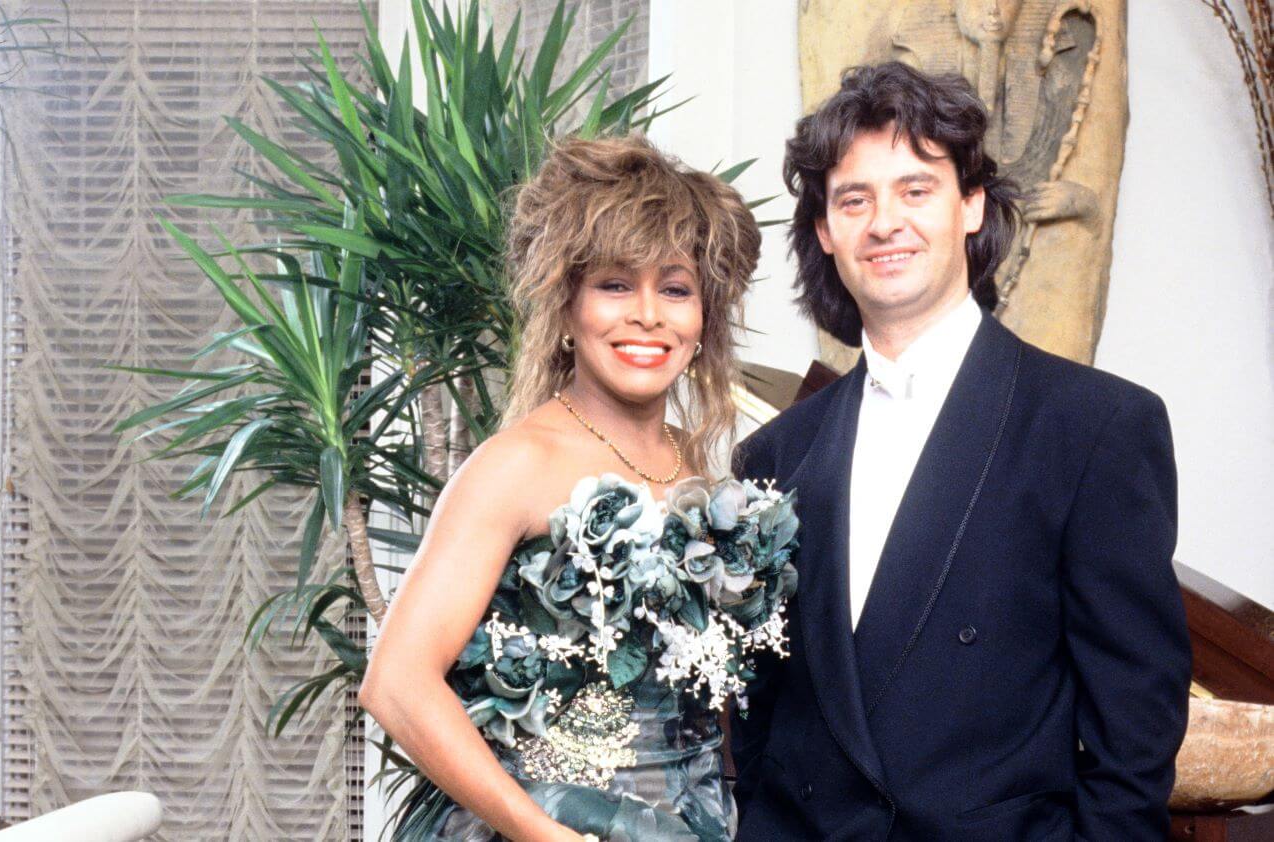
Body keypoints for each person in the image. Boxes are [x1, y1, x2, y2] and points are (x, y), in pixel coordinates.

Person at [731, 62, 1191, 841]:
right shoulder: (774, 455)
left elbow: (1135, 732)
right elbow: (764, 720)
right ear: (823, 231)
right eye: (854, 198)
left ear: (972, 204)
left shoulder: (1095, 427)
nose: (885, 223)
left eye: (916, 189)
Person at [359, 135, 799, 842]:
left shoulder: (703, 473)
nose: (648, 315)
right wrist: (543, 835)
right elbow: (396, 686)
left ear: (704, 320)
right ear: (566, 306)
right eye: (615, 284)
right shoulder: (516, 466)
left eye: (676, 288)